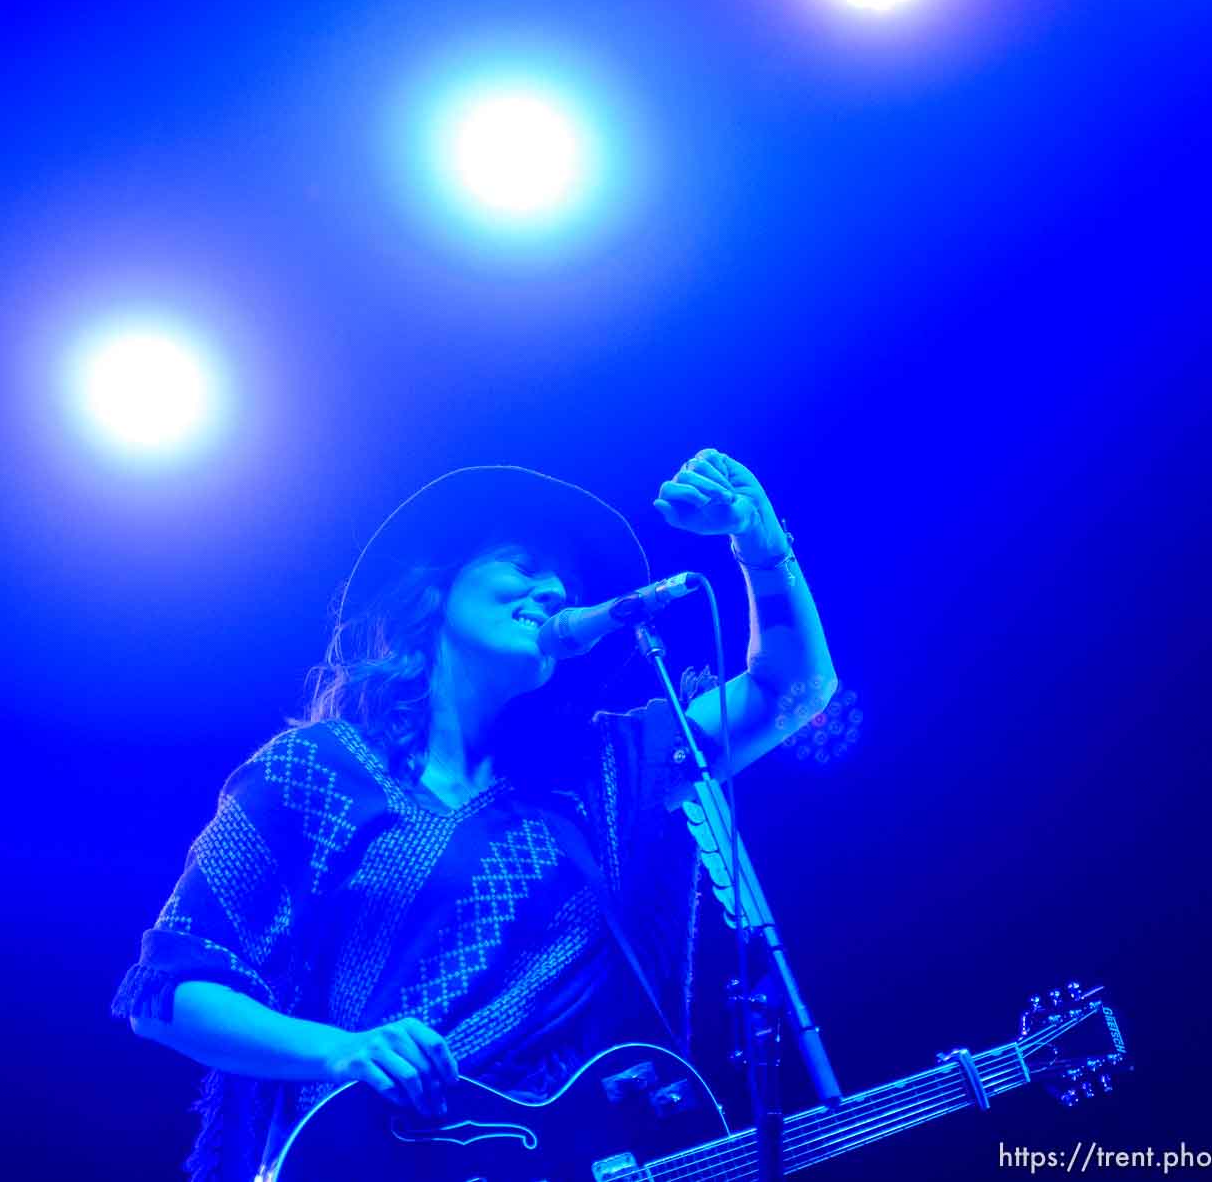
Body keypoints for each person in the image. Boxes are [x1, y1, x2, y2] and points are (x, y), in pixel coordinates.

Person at [113, 450, 837, 1182]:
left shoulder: (609, 769)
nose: (553, 588)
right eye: (523, 564)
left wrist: (761, 543)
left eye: (567, 584)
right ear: (439, 591)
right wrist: (336, 1049)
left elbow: (794, 689)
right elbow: (169, 991)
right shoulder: (313, 770)